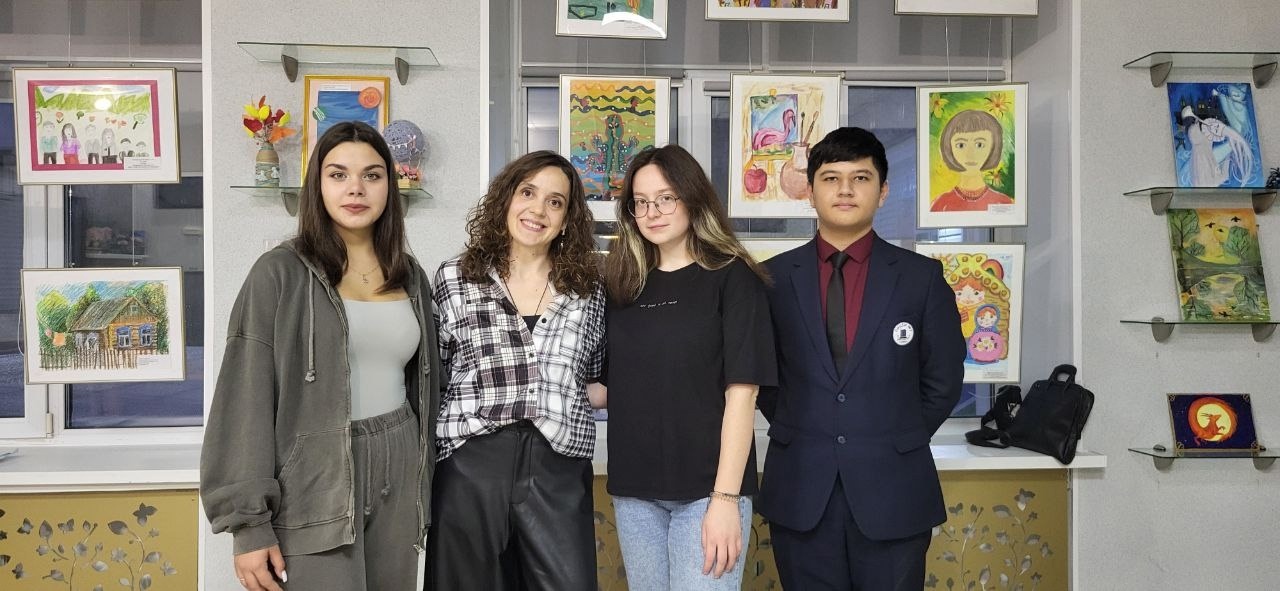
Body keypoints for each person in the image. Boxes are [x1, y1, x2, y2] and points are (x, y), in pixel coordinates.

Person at [201, 121, 441, 591]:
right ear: (318, 185)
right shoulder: (279, 273)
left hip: (398, 464)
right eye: (338, 174)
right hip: (313, 476)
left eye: (372, 175)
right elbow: (244, 397)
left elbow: (426, 387)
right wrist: (248, 525)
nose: (356, 188)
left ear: (389, 187)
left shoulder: (409, 275)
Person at [758, 127, 965, 590]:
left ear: (883, 191)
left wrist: (895, 436)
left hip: (894, 489)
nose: (845, 190)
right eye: (831, 178)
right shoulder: (772, 279)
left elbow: (943, 380)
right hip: (801, 489)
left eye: (861, 178)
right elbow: (766, 381)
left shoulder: (921, 278)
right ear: (810, 191)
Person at [427, 150, 606, 590]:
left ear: (567, 220)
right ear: (506, 198)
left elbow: (597, 374)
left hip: (558, 464)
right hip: (472, 462)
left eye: (555, 202)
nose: (538, 210)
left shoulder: (588, 289)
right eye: (528, 193)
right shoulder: (455, 278)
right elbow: (438, 374)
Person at [601, 144, 776, 590]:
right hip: (635, 491)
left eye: (665, 198)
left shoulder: (733, 278)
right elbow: (610, 387)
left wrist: (725, 498)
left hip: (708, 492)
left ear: (692, 197)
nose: (652, 212)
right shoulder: (622, 284)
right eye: (641, 202)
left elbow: (743, 396)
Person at [929, 109, 1013, 212]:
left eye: (979, 145)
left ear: (993, 147)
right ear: (948, 148)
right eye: (961, 145)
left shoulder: (1003, 203)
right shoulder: (940, 205)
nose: (970, 154)